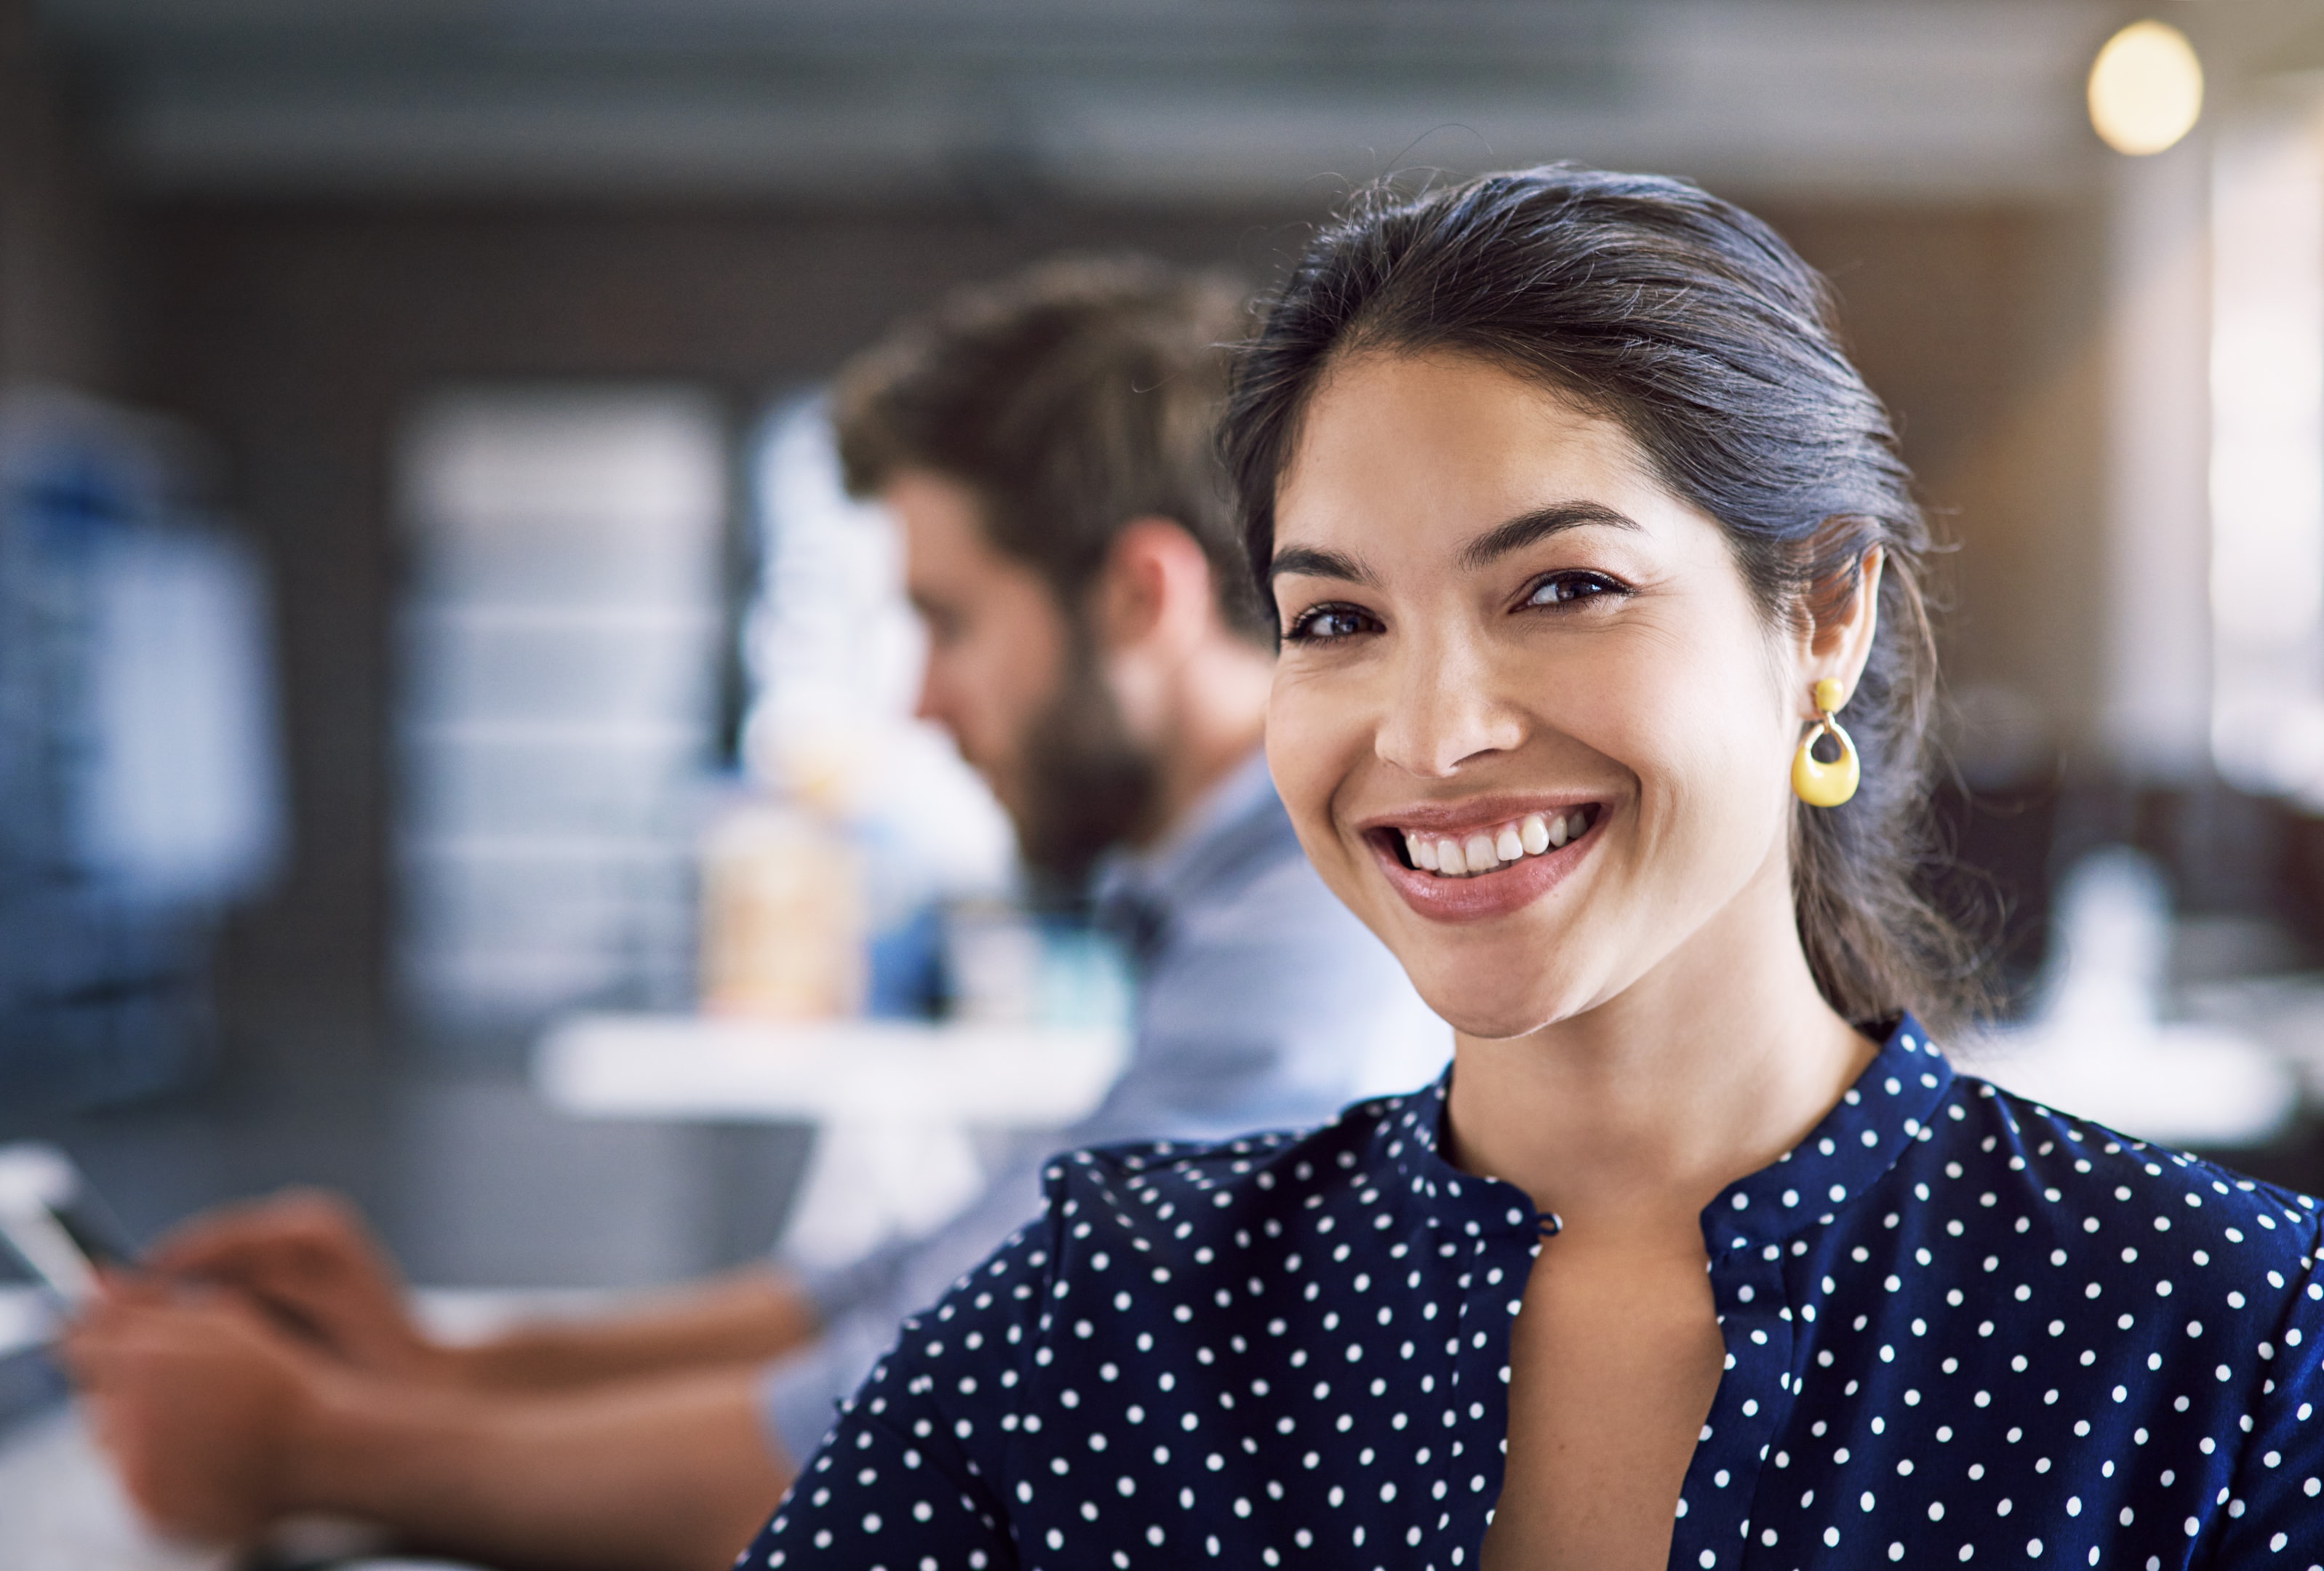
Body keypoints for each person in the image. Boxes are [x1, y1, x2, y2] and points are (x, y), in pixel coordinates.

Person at [742, 168, 2324, 1570]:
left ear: (1823, 619)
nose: (1430, 738)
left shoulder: (2220, 1344)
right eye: (1337, 621)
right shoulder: (1104, 1324)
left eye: (1561, 587)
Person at [60, 257, 1446, 1571]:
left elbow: (923, 1460)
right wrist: (446, 1370)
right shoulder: (1232, 903)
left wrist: (318, 1445)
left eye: (949, 620)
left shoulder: (1318, 942)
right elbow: (920, 1291)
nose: (920, 699)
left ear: (1140, 596)